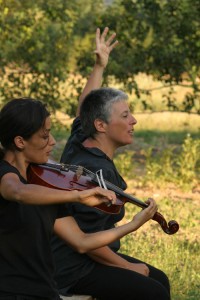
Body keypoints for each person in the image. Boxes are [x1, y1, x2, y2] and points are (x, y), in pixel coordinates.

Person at [52, 29, 171, 300]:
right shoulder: (100, 173)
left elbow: (85, 106)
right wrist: (128, 267)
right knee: (153, 291)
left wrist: (99, 66)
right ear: (101, 125)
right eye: (126, 115)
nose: (134, 121)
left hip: (74, 257)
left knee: (158, 278)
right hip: (74, 268)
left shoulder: (80, 139)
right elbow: (88, 243)